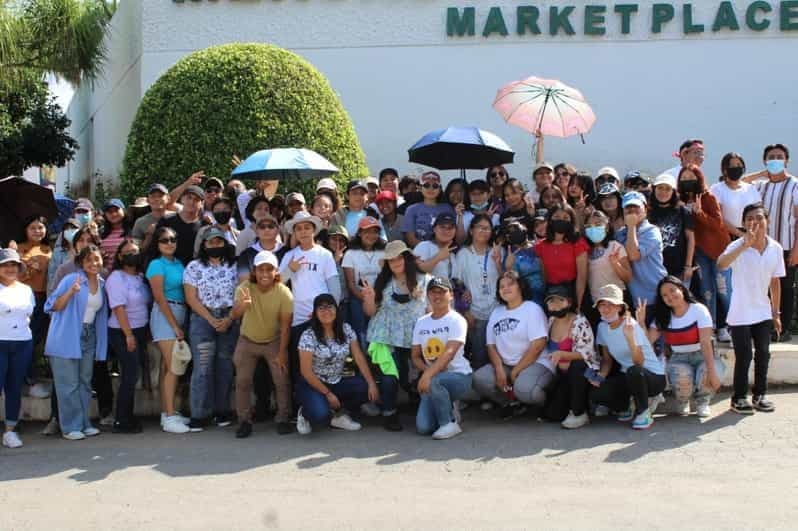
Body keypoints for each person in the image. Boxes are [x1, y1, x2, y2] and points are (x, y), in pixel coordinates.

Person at [718, 202, 784, 414]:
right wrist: (743, 246)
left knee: (763, 353)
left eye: (759, 217)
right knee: (744, 355)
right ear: (744, 223)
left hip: (763, 311)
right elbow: (721, 264)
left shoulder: (775, 248)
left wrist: (776, 313)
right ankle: (738, 398)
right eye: (749, 219)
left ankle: (760, 395)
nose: (754, 222)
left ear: (767, 221)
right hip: (740, 312)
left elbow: (775, 281)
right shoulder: (738, 245)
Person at [44, 245, 109, 440]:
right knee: (68, 384)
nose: (93, 263)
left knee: (84, 383)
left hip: (89, 335)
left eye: (96, 259)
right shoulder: (71, 279)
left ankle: (83, 423)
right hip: (66, 335)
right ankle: (70, 427)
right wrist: (70, 292)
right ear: (81, 262)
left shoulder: (102, 283)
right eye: (88, 260)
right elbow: (51, 306)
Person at [362, 240, 429, 426]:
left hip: (415, 337)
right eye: (391, 260)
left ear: (406, 259)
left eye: (399, 258)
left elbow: (431, 309)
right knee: (390, 376)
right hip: (385, 337)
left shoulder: (424, 280)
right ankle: (389, 412)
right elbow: (370, 312)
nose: (396, 262)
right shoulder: (382, 282)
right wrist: (369, 298)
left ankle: (417, 403)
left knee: (412, 376)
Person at [295, 294, 381, 435]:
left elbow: (359, 357)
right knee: (319, 414)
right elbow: (306, 372)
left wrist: (371, 383)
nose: (326, 311)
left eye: (330, 306)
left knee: (366, 388)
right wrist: (328, 394)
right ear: (315, 313)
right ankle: (304, 413)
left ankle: (339, 414)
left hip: (337, 380)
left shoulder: (346, 329)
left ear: (336, 309)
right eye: (321, 308)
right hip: (313, 384)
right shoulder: (308, 335)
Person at [231, 250, 294, 438]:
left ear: (276, 272)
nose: (265, 273)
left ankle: (283, 418)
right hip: (247, 339)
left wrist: (281, 353)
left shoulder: (284, 292)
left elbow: (285, 326)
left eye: (269, 269)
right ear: (254, 271)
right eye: (261, 269)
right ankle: (244, 421)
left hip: (273, 340)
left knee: (281, 380)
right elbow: (234, 315)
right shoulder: (244, 287)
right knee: (242, 381)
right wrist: (243, 306)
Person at [183, 228, 239, 431]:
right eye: (211, 242)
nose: (215, 246)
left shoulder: (234, 266)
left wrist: (228, 319)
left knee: (225, 367)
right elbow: (191, 298)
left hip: (229, 318)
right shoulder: (193, 266)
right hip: (202, 319)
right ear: (204, 245)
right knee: (202, 367)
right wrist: (210, 319)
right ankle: (199, 414)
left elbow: (241, 293)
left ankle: (222, 411)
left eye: (219, 242)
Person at [644, 276, 724, 418]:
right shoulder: (663, 316)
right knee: (682, 376)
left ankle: (703, 401)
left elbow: (705, 343)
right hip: (678, 358)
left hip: (702, 354)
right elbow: (647, 340)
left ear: (681, 288)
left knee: (708, 371)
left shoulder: (699, 309)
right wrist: (640, 322)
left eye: (672, 290)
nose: (670, 296)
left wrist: (713, 373)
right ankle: (683, 401)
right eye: (664, 295)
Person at [473, 271, 549, 418]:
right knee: (480, 379)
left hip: (535, 362)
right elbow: (491, 345)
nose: (505, 288)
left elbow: (538, 346)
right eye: (501, 286)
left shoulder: (532, 308)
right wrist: (499, 368)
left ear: (520, 286)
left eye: (510, 284)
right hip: (506, 364)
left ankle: (545, 405)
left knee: (526, 389)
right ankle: (511, 403)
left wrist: (515, 371)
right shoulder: (496, 312)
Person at [591, 284, 666, 430]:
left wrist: (630, 338)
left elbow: (639, 362)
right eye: (602, 304)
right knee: (598, 393)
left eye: (611, 304)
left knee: (634, 370)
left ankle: (644, 412)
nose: (606, 309)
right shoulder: (602, 327)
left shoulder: (631, 325)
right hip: (629, 376)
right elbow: (607, 360)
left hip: (653, 378)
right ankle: (627, 406)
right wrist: (600, 377)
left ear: (619, 307)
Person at [279, 212, 341, 377]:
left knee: (325, 358)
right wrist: (290, 269)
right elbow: (277, 283)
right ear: (294, 233)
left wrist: (331, 312)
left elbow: (334, 287)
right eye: (299, 229)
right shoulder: (289, 255)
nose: (303, 232)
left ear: (314, 230)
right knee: (299, 360)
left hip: (322, 315)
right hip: (299, 316)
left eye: (307, 227)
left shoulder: (325, 254)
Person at [411, 277, 473, 439]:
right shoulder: (421, 322)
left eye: (441, 292)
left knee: (435, 381)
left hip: (459, 376)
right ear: (428, 296)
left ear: (451, 295)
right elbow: (415, 356)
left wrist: (427, 375)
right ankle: (448, 406)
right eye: (433, 292)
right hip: (433, 378)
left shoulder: (457, 320)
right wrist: (428, 372)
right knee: (424, 427)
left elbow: (449, 352)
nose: (437, 296)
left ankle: (449, 424)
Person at [146, 226, 190, 434]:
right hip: (165, 314)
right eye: (164, 240)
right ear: (157, 243)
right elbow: (159, 297)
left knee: (168, 367)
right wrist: (174, 325)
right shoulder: (156, 264)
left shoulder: (179, 263)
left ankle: (167, 413)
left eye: (173, 239)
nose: (169, 243)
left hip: (180, 311)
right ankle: (170, 417)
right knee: (174, 366)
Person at [677, 165, 730, 338]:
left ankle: (733, 326)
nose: (687, 181)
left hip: (718, 251)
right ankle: (711, 327)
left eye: (691, 178)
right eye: (684, 178)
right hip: (699, 253)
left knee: (724, 291)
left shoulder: (708, 198)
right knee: (707, 291)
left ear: (698, 179)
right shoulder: (680, 200)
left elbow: (717, 224)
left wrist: (699, 213)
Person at [752, 144, 797, 342]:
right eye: (771, 157)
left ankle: (783, 329)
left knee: (785, 288)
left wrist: (796, 249)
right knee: (762, 287)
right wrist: (762, 173)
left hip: (786, 245)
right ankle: (765, 326)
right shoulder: (761, 185)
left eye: (780, 156)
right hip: (762, 246)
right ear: (765, 160)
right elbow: (738, 182)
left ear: (787, 160)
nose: (775, 160)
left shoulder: (794, 185)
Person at [105, 240, 151, 433]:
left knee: (133, 375)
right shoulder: (116, 278)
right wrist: (128, 335)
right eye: (128, 252)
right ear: (120, 256)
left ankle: (129, 416)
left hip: (140, 330)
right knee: (130, 375)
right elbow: (118, 308)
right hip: (123, 332)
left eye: (136, 251)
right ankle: (122, 420)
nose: (133, 255)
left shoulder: (140, 277)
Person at [541, 285, 598, 428]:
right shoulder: (550, 321)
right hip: (562, 373)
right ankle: (573, 406)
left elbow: (587, 353)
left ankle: (579, 413)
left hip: (584, 371)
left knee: (578, 366)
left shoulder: (579, 322)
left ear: (569, 302)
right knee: (553, 414)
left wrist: (562, 355)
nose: (555, 305)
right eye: (551, 301)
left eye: (560, 300)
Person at [453, 214, 501, 369]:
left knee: (499, 356)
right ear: (471, 230)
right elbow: (456, 283)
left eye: (487, 228)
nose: (484, 231)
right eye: (480, 227)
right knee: (479, 357)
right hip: (475, 314)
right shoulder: (463, 254)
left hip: (497, 312)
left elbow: (505, 280)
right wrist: (466, 311)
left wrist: (498, 263)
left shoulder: (496, 251)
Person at [614, 191, 667, 325]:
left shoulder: (652, 231)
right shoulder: (619, 234)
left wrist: (631, 226)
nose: (632, 211)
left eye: (636, 207)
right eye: (628, 207)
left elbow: (633, 255)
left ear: (645, 209)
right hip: (632, 298)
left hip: (654, 296)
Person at [0, 249, 35, 448]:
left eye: (13, 265)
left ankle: (10, 431)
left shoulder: (26, 290)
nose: (10, 268)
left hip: (22, 343)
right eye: (5, 265)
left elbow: (28, 314)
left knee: (14, 388)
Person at [342, 216, 386, 347]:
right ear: (360, 233)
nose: (371, 235)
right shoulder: (350, 253)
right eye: (367, 231)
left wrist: (376, 300)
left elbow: (386, 278)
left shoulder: (383, 252)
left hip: (380, 298)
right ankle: (362, 357)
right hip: (358, 297)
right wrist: (366, 300)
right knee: (361, 332)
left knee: (379, 333)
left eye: (375, 232)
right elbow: (351, 284)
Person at [534, 204, 589, 309]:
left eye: (565, 218)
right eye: (557, 217)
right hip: (552, 295)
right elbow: (544, 277)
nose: (561, 220)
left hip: (573, 293)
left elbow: (582, 278)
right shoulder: (540, 246)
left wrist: (578, 305)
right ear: (550, 219)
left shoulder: (578, 243)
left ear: (571, 221)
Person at [584, 210, 631, 324]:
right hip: (598, 304)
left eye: (598, 224)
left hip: (616, 303)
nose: (593, 228)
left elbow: (628, 277)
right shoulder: (585, 251)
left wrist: (615, 264)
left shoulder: (615, 246)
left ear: (607, 227)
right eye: (589, 226)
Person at [16, 216, 52, 363]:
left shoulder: (49, 249)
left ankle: (30, 367)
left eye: (40, 227)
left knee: (37, 335)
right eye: (32, 228)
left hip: (43, 297)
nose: (37, 231)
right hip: (22, 297)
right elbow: (12, 275)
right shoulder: (17, 248)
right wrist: (29, 268)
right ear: (25, 230)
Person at [647, 173, 695, 279]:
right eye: (660, 188)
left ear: (673, 192)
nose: (663, 192)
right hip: (652, 269)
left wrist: (688, 266)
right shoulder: (647, 212)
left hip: (678, 270)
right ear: (654, 189)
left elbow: (690, 239)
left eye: (667, 189)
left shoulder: (683, 211)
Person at [156, 185, 207, 266]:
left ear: (202, 203)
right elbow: (155, 247)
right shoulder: (166, 221)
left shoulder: (205, 225)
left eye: (196, 199)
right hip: (168, 268)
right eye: (189, 197)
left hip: (195, 269)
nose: (191, 202)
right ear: (182, 199)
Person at [401, 172, 454, 246]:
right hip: (419, 251)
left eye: (435, 186)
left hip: (444, 249)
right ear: (420, 188)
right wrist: (428, 249)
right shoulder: (411, 209)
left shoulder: (447, 208)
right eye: (426, 185)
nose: (431, 189)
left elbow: (452, 233)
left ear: (440, 189)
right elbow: (410, 239)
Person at [504, 221, 545, 305]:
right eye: (511, 233)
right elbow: (511, 279)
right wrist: (508, 267)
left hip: (547, 289)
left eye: (517, 230)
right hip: (529, 296)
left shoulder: (537, 244)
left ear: (524, 229)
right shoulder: (510, 254)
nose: (515, 234)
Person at [236, 215, 285, 281]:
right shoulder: (246, 255)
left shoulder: (287, 252)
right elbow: (244, 282)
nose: (266, 229)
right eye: (262, 227)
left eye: (271, 226)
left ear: (278, 231)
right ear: (256, 232)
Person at [414, 213, 458, 279]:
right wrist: (438, 257)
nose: (446, 231)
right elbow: (419, 270)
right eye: (442, 227)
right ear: (434, 229)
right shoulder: (424, 246)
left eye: (450, 228)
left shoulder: (453, 255)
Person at [132, 183, 172, 248]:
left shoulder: (177, 217)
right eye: (153, 196)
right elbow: (137, 250)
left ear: (168, 199)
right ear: (148, 200)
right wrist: (149, 235)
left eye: (160, 196)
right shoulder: (140, 222)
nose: (156, 199)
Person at [99, 199, 130, 276]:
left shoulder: (132, 230)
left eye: (116, 210)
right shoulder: (101, 232)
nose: (113, 214)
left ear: (123, 210)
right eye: (109, 212)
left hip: (127, 274)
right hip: (105, 275)